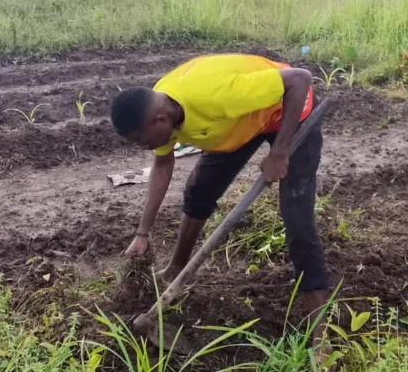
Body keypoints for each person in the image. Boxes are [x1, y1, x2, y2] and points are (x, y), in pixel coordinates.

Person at [110, 53, 329, 340]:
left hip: (288, 109)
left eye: (144, 141)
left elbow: (299, 79)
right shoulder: (162, 109)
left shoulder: (217, 97)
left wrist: (279, 152)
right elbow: (163, 165)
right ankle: (177, 269)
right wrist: (143, 232)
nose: (145, 147)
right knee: (199, 191)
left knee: (298, 222)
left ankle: (322, 333)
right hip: (237, 123)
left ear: (161, 119)